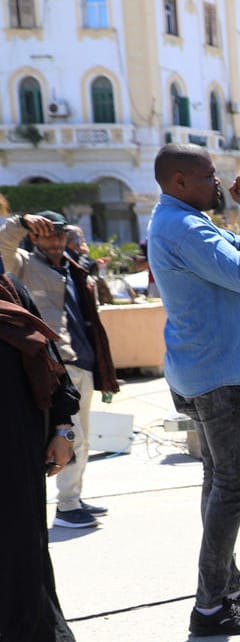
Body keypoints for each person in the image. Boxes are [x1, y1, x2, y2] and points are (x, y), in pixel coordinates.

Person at [147, 143, 240, 635]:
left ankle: (227, 583)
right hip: (220, 376)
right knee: (231, 485)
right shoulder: (182, 227)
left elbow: (226, 264)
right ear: (180, 181)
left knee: (217, 481)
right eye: (209, 177)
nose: (218, 184)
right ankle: (210, 605)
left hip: (202, 369)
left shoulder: (178, 219)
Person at [1, 270, 85, 642]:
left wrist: (62, 429)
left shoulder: (9, 289)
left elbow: (49, 364)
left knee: (20, 563)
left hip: (17, 460)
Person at [1, 209, 119, 529]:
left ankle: (74, 497)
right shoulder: (23, 264)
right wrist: (20, 224)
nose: (56, 238)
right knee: (67, 435)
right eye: (48, 232)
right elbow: (3, 250)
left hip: (80, 363)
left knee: (82, 440)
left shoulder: (73, 267)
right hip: (53, 366)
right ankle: (66, 506)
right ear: (36, 235)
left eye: (60, 232)